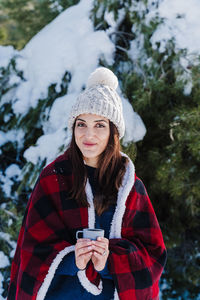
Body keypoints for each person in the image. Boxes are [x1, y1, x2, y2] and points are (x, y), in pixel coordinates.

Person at [7, 67, 167, 300]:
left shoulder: (130, 187)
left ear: (113, 131)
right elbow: (32, 250)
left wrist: (110, 258)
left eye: (99, 125)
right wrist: (72, 259)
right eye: (81, 124)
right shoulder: (54, 178)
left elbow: (152, 255)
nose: (88, 134)